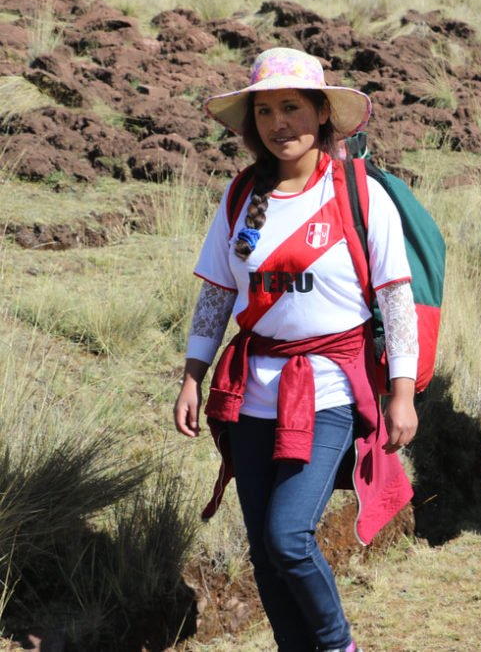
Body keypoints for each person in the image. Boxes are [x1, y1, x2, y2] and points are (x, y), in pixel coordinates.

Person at [173, 47, 419, 652]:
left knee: (288, 537)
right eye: (265, 112)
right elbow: (216, 295)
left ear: (321, 114)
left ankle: (338, 645)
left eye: (291, 108)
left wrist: (402, 394)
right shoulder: (239, 199)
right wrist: (191, 375)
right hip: (251, 394)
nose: (279, 123)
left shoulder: (360, 196)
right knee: (263, 549)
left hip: (331, 389)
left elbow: (395, 301)